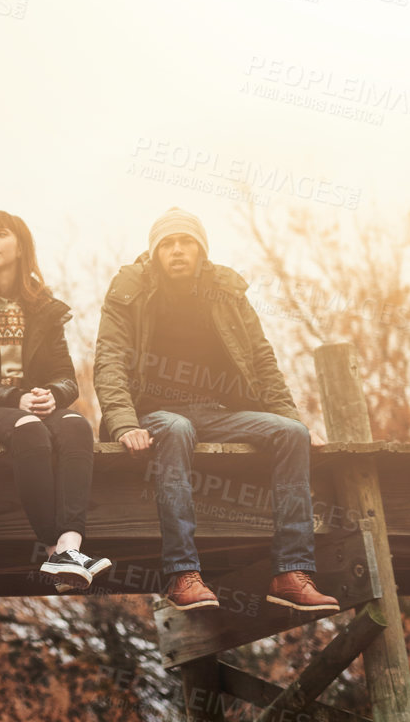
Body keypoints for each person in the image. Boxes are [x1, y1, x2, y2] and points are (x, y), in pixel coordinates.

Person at [94, 207, 340, 614]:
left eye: (185, 242)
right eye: (167, 244)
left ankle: (291, 573)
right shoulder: (128, 289)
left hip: (217, 412)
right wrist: (122, 423)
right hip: (155, 415)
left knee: (290, 434)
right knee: (177, 428)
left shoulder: (226, 290)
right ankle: (182, 573)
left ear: (200, 250)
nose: (176, 251)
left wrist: (295, 420)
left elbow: (262, 360)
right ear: (154, 252)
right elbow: (109, 359)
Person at [0, 210, 111, 591]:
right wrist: (16, 398)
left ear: (21, 246)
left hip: (29, 405)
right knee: (29, 430)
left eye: (0, 234)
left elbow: (66, 376)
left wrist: (54, 394)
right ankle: (51, 548)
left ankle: (70, 545)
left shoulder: (42, 307)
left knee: (77, 425)